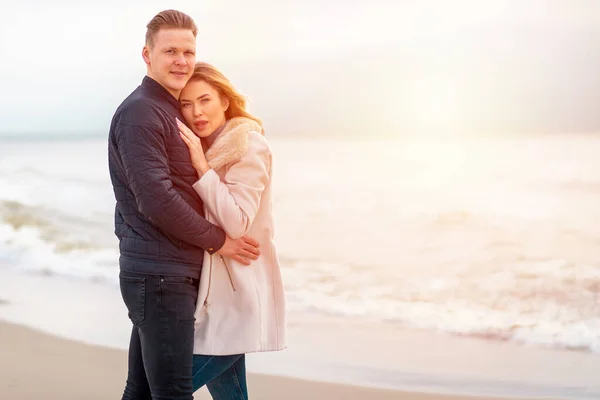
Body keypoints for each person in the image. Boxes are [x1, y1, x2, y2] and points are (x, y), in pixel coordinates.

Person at [107, 10, 260, 400]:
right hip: (160, 277)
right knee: (172, 392)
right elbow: (155, 198)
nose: (181, 60)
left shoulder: (170, 110)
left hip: (164, 273)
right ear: (147, 54)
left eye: (188, 51)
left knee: (142, 392)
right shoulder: (142, 112)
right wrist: (218, 241)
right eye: (170, 50)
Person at [176, 62, 287, 399]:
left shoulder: (248, 145)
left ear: (224, 101)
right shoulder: (209, 145)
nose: (197, 112)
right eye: (186, 103)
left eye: (205, 100)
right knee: (231, 394)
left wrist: (202, 166)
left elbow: (237, 221)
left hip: (237, 293)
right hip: (220, 296)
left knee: (166, 389)